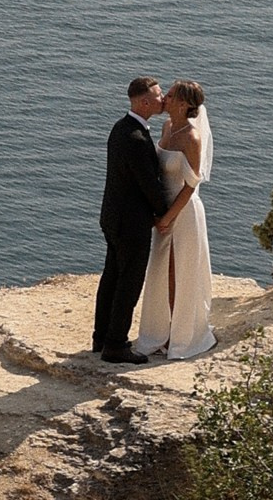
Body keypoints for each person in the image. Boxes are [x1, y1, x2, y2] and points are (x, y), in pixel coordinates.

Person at [135, 79, 216, 359]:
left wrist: (170, 215)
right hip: (163, 210)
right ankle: (160, 331)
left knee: (178, 272)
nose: (164, 98)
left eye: (169, 95)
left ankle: (180, 337)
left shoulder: (191, 138)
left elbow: (191, 183)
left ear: (183, 104)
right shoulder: (167, 127)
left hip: (182, 210)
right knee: (160, 271)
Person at [93, 76, 166, 362]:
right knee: (129, 282)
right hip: (132, 221)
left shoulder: (121, 128)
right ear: (144, 102)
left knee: (112, 276)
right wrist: (165, 213)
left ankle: (101, 337)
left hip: (112, 216)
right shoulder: (136, 138)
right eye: (159, 96)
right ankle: (116, 344)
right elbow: (149, 184)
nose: (164, 99)